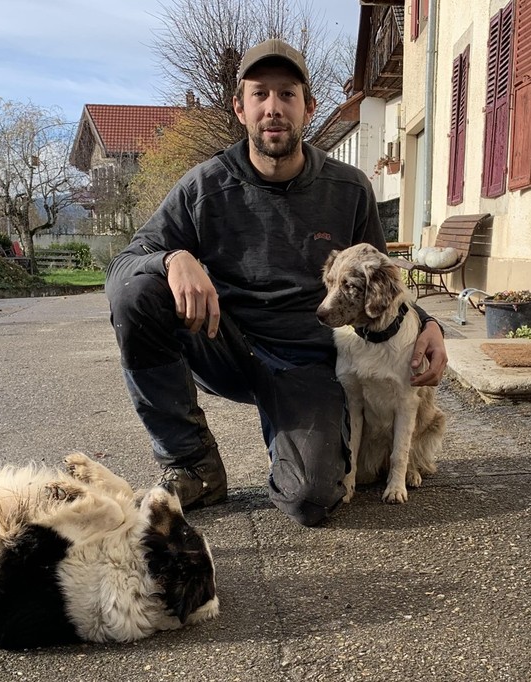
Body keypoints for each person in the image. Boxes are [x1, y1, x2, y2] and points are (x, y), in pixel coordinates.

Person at [105, 38, 447, 527]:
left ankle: (296, 442)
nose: (273, 108)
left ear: (308, 108)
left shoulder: (349, 189)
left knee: (312, 499)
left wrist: (430, 323)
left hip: (309, 361)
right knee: (136, 292)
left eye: (287, 94)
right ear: (240, 107)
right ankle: (191, 462)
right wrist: (172, 258)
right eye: (259, 94)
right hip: (226, 344)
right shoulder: (204, 185)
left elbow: (380, 282)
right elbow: (123, 265)